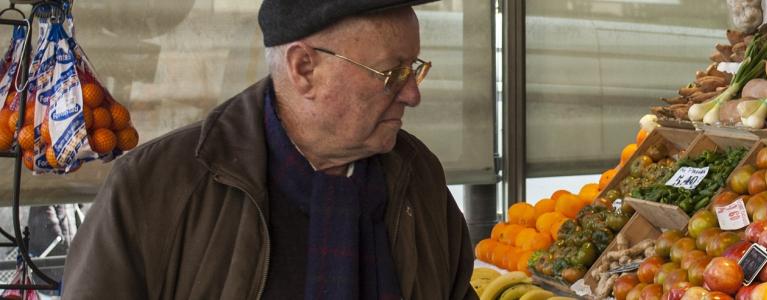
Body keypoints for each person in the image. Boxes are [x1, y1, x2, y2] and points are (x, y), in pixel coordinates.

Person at [62, 0, 476, 299]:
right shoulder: (155, 189)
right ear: (304, 70)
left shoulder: (418, 176)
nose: (412, 94)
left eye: (415, 69)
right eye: (392, 73)